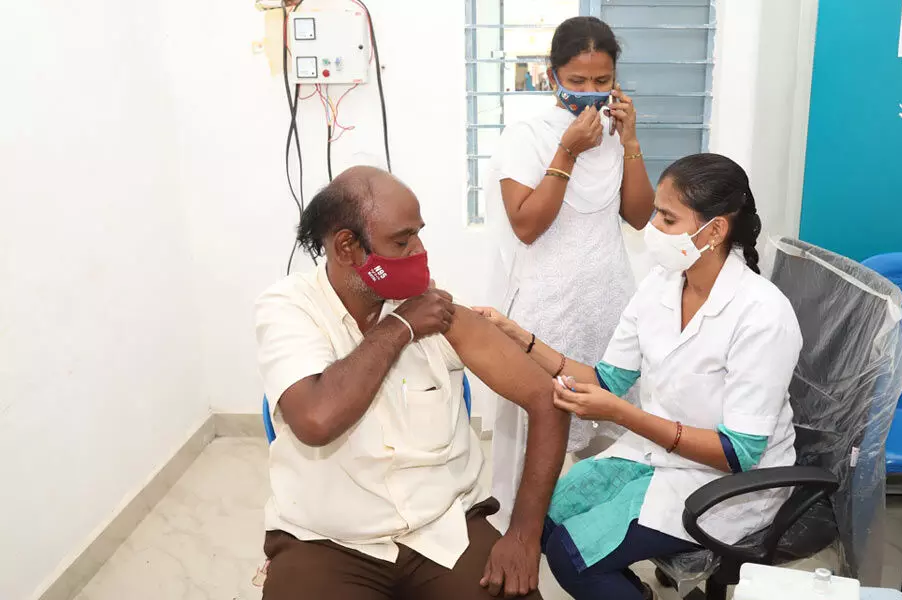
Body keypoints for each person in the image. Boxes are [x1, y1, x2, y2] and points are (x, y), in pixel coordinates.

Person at [476, 154, 803, 600]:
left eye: (667, 218)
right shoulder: (662, 284)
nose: (652, 227)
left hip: (727, 483)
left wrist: (624, 416)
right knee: (549, 522)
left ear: (715, 231)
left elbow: (738, 452)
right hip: (661, 456)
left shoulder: (762, 314)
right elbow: (607, 379)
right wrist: (521, 337)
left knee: (574, 560)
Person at [254, 166, 569, 600]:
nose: (419, 251)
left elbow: (545, 399)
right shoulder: (289, 308)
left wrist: (524, 535)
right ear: (348, 247)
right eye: (402, 241)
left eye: (418, 234)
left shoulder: (438, 311)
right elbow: (316, 418)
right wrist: (399, 327)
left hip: (444, 528)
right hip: (328, 541)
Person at [486, 15, 655, 531]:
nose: (590, 93)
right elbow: (528, 225)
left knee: (618, 433)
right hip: (545, 310)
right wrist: (566, 150)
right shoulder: (526, 135)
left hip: (609, 305)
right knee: (537, 436)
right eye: (577, 82)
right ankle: (515, 537)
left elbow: (640, 215)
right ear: (552, 74)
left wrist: (628, 140)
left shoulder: (611, 132)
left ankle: (605, 534)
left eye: (602, 82)